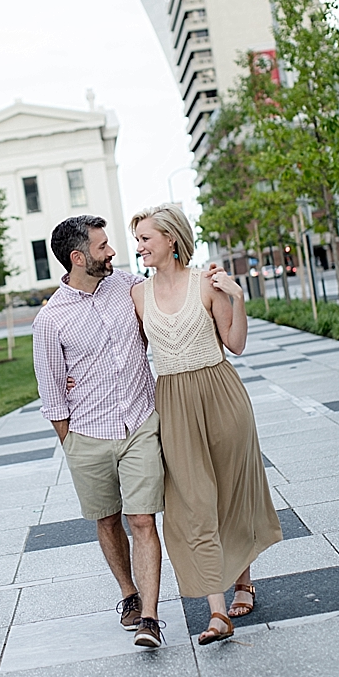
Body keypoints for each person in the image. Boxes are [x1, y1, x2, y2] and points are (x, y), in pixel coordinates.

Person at [129, 203, 283, 644]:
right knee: (192, 505)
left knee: (231, 496)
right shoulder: (138, 296)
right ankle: (218, 614)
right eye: (138, 239)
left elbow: (235, 344)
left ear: (170, 239)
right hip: (173, 403)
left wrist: (236, 297)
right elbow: (128, 354)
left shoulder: (207, 283)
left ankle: (243, 582)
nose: (139, 246)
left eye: (145, 238)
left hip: (221, 396)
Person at [31, 215, 167, 648]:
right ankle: (128, 594)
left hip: (140, 422)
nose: (111, 252)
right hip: (88, 434)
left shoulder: (126, 286)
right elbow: (52, 393)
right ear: (78, 257)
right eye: (102, 246)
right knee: (108, 519)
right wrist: (71, 443)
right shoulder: (50, 321)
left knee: (142, 519)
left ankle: (149, 617)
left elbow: (170, 292)